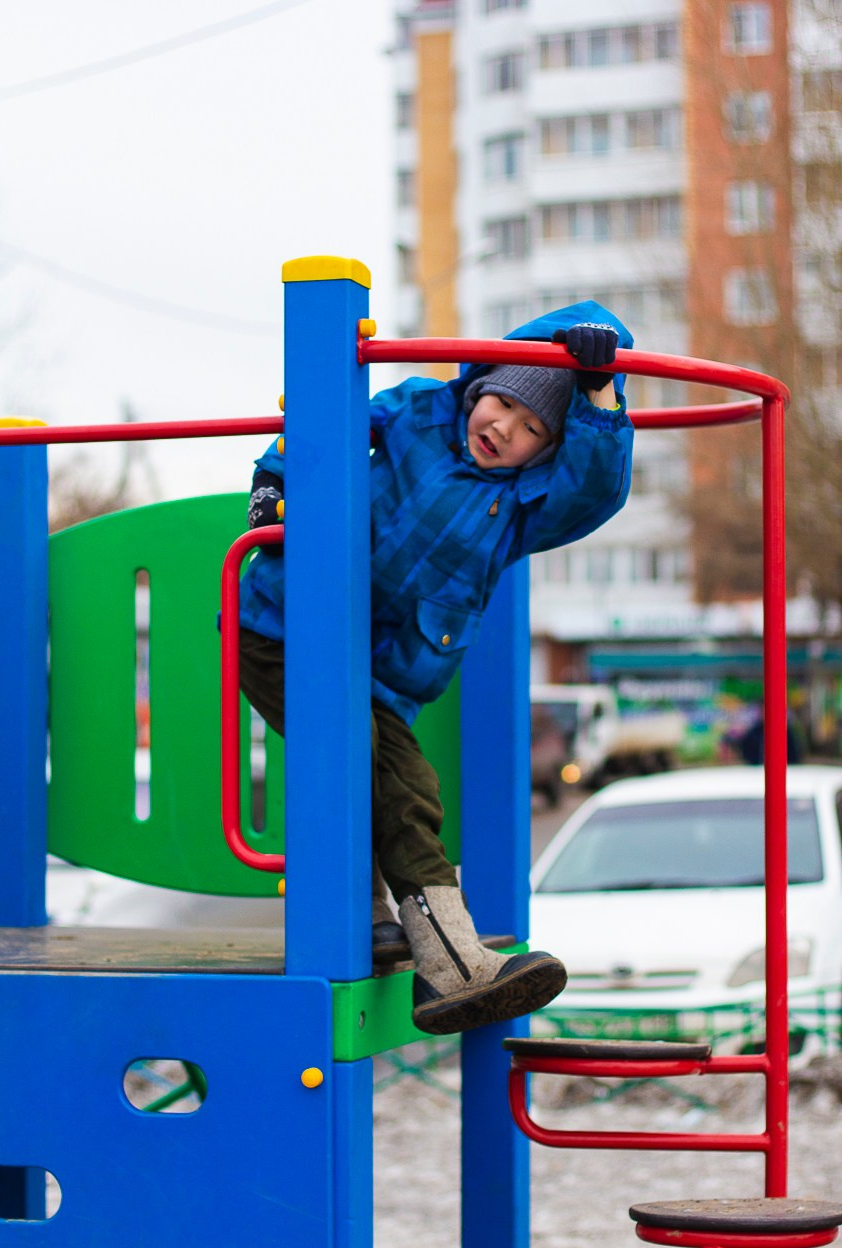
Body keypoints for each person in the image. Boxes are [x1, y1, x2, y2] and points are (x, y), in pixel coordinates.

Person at [237, 304, 634, 1035]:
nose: (504, 428)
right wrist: (272, 484)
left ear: (546, 452)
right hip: (284, 631)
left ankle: (406, 942)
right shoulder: (420, 410)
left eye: (532, 430)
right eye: (502, 403)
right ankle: (436, 956)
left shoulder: (523, 506)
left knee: (403, 786)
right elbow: (324, 426)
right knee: (366, 764)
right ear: (478, 383)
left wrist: (598, 395)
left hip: (377, 677)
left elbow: (595, 489)